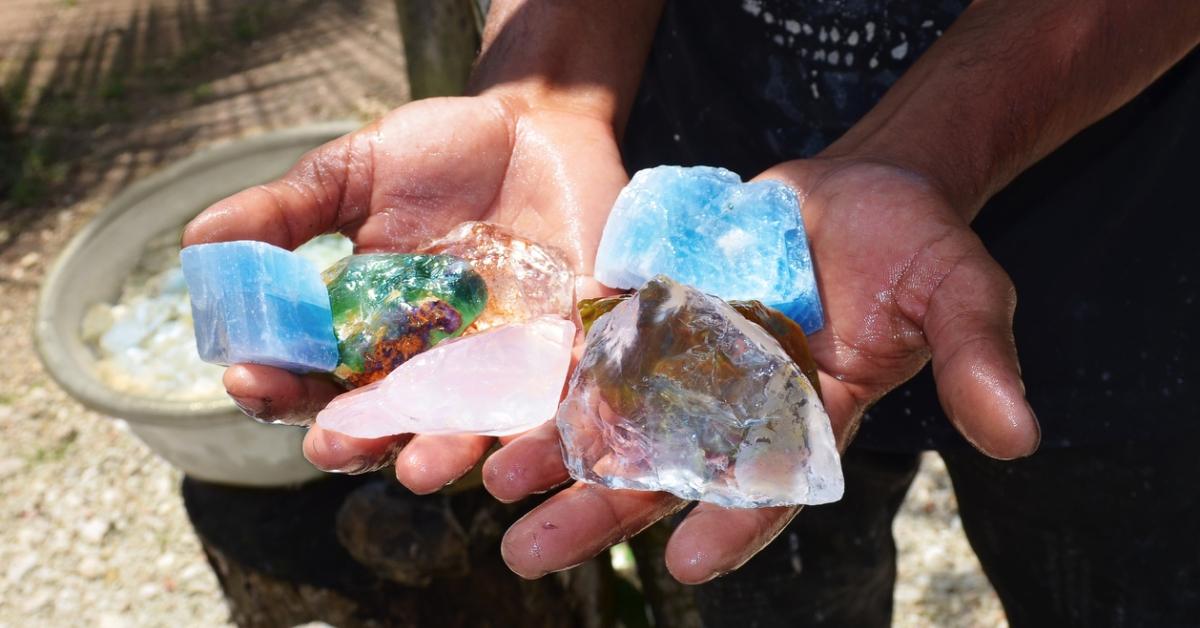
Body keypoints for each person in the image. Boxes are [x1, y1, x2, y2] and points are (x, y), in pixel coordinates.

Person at [183, 1, 1200, 625]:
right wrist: (545, 98)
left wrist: (934, 148)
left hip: (1117, 252)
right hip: (656, 182)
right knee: (766, 593)